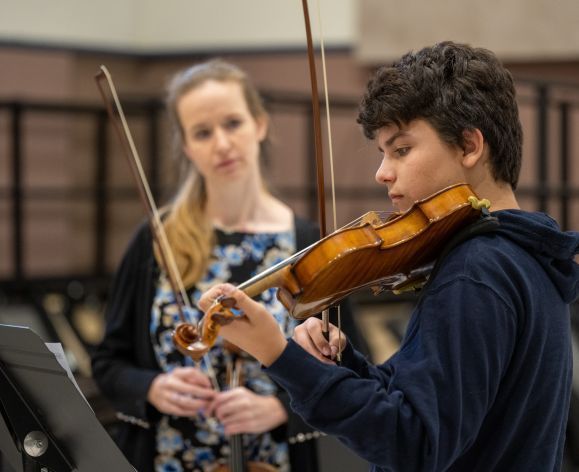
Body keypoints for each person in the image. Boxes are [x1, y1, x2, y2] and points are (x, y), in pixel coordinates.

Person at [198, 42, 579, 471]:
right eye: (383, 152)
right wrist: (345, 366)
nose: (383, 172)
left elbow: (413, 444)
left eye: (401, 149)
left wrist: (277, 354)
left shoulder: (476, 270)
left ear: (470, 145)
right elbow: (431, 408)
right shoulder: (526, 257)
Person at [92, 59, 362, 472]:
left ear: (260, 125)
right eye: (203, 132)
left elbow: (352, 374)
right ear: (186, 147)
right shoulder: (155, 240)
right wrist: (151, 387)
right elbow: (108, 363)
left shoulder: (308, 244)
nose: (221, 143)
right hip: (167, 459)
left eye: (233, 123)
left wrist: (280, 410)